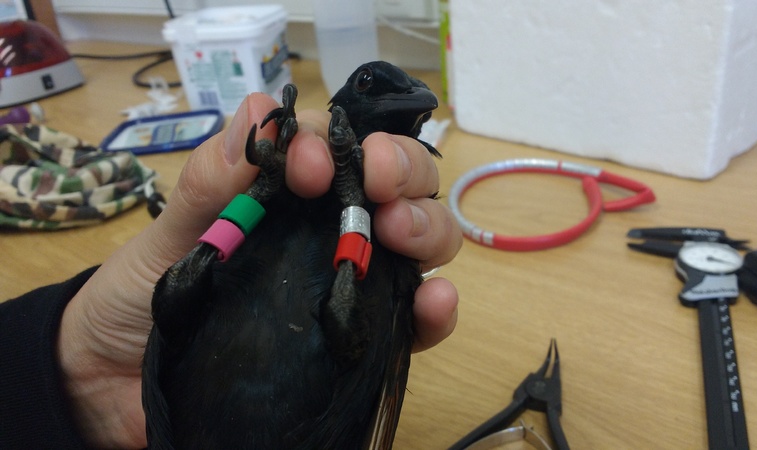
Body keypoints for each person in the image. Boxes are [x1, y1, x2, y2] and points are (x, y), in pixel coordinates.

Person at [0, 93, 462, 449]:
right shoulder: (333, 178)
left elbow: (175, 295)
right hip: (300, 413)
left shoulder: (332, 179)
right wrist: (349, 200)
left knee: (182, 289)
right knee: (347, 310)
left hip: (184, 409)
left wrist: (267, 186)